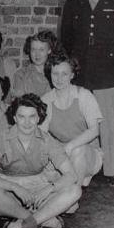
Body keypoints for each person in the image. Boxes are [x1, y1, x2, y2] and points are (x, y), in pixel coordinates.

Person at [61, 0, 114, 186]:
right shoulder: (73, 5)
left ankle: (111, 172)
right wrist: (75, 63)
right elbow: (66, 38)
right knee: (80, 122)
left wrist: (109, 57)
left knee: (108, 123)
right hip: (81, 73)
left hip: (108, 74)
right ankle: (82, 169)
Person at [0, 93, 81, 228]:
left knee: (75, 191)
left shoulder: (48, 140)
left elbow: (71, 175)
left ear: (39, 118)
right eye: (21, 117)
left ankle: (23, 223)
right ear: (14, 118)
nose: (27, 122)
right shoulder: (0, 139)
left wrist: (49, 189)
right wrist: (15, 187)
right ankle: (41, 218)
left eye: (32, 117)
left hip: (38, 186)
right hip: (9, 187)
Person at [41, 54, 104, 213]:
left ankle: (72, 198)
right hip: (62, 152)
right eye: (55, 73)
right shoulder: (46, 100)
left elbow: (94, 130)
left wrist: (69, 146)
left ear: (72, 75)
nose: (59, 78)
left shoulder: (84, 95)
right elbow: (42, 134)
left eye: (64, 74)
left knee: (78, 149)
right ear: (50, 74)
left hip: (88, 154)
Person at [12, 30, 62, 98]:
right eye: (33, 49)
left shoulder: (58, 73)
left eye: (41, 50)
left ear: (49, 50)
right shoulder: (21, 75)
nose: (37, 54)